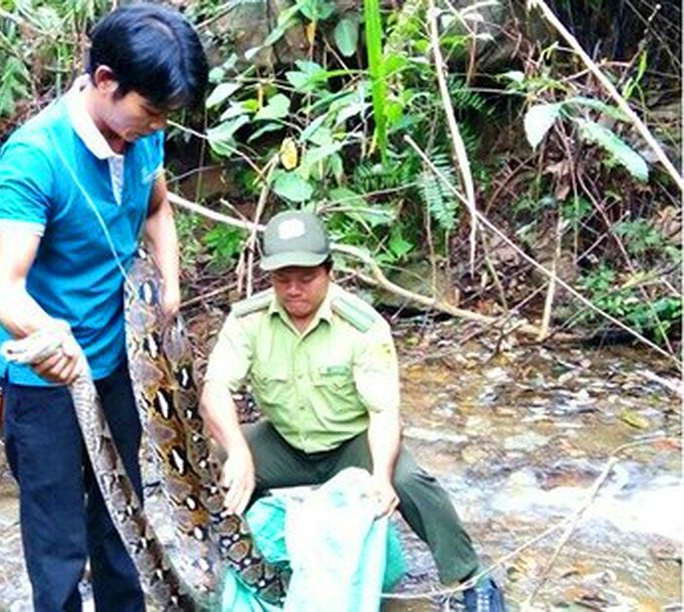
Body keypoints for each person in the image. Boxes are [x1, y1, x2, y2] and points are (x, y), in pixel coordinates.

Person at [0, 5, 207, 610]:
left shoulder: (143, 138)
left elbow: (157, 208)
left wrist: (171, 279)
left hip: (118, 368)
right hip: (45, 380)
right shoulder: (35, 156)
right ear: (106, 80)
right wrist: (49, 337)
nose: (157, 127)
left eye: (165, 116)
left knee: (120, 516)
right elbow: (3, 286)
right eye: (150, 111)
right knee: (57, 545)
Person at [200, 210, 506, 611]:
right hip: (284, 442)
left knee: (411, 480)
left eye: (306, 277)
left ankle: (471, 579)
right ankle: (218, 568)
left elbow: (383, 412)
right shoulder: (248, 321)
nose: (293, 289)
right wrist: (239, 453)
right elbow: (214, 391)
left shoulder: (362, 326)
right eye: (281, 279)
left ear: (329, 271)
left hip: (351, 442)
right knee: (213, 463)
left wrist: (380, 477)